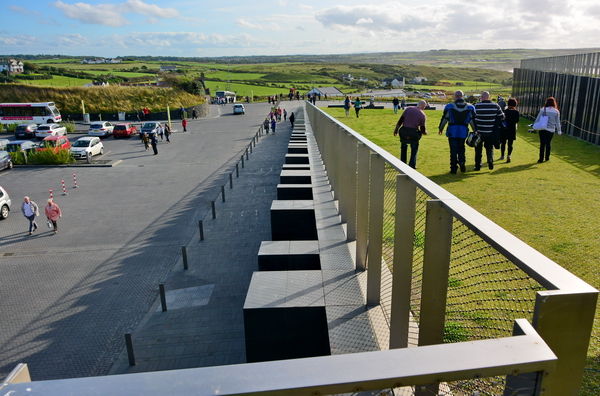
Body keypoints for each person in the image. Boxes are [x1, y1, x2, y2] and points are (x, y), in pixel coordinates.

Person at [438, 90, 476, 174]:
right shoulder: (470, 107)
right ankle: (462, 162)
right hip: (463, 130)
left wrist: (440, 128)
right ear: (462, 96)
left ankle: (453, 168)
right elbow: (472, 121)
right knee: (461, 147)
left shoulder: (449, 106)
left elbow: (444, 118)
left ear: (455, 97)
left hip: (452, 130)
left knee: (453, 149)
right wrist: (475, 131)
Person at [474, 91, 504, 170]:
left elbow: (472, 117)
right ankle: (490, 161)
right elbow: (502, 117)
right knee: (489, 148)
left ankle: (477, 166)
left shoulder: (476, 106)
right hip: (490, 132)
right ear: (489, 97)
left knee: (478, 150)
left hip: (479, 132)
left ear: (481, 97)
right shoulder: (495, 105)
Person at [393, 100, 428, 169]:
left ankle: (402, 163)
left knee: (403, 147)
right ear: (423, 106)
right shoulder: (422, 115)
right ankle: (412, 164)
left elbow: (400, 120)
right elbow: (422, 128)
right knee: (414, 148)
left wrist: (396, 130)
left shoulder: (408, 109)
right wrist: (425, 132)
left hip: (404, 131)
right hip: (414, 133)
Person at [534, 97, 562, 163]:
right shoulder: (556, 111)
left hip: (543, 128)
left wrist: (535, 127)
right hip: (551, 129)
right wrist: (559, 131)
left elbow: (538, 118)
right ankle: (547, 157)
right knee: (548, 143)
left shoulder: (543, 109)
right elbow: (557, 122)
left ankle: (541, 158)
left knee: (542, 144)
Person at [500, 98, 519, 162]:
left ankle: (502, 155)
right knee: (510, 144)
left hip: (505, 128)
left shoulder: (505, 111)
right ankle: (509, 155)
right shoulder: (516, 112)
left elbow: (502, 119)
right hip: (512, 129)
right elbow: (517, 120)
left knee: (503, 143)